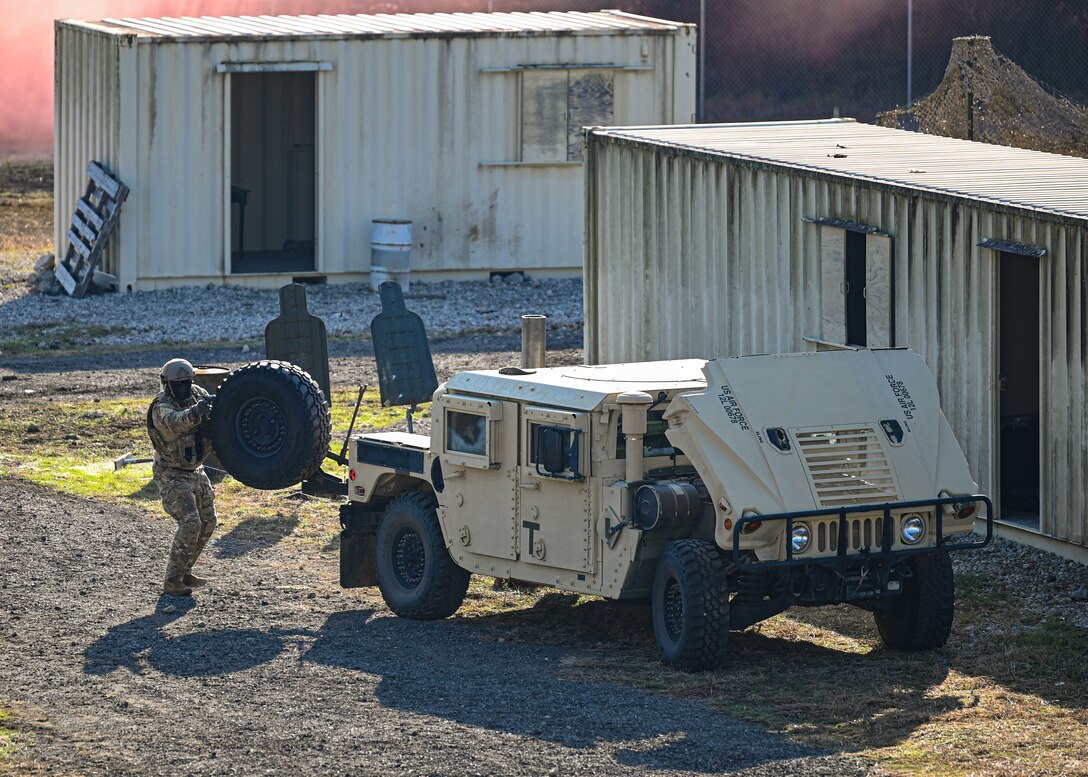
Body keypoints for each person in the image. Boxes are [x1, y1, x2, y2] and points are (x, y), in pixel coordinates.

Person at [147, 358, 217, 596]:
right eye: (178, 384)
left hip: (194, 469)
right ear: (167, 384)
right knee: (190, 522)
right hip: (171, 472)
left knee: (209, 520)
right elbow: (176, 423)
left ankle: (185, 570)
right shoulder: (161, 406)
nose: (183, 388)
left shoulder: (196, 394)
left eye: (186, 383)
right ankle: (172, 580)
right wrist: (198, 411)